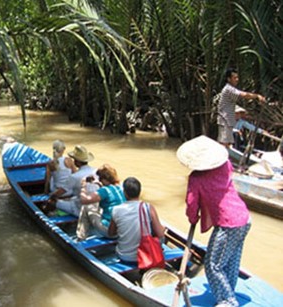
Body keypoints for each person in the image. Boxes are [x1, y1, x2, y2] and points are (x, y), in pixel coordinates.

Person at [177, 135, 251, 307]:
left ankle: (228, 301)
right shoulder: (225, 165)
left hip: (229, 222)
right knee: (231, 262)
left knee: (213, 265)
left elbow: (191, 205)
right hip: (244, 218)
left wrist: (193, 218)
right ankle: (227, 293)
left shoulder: (196, 178)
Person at [108, 177, 164, 263]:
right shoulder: (148, 207)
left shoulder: (116, 210)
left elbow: (111, 233)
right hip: (147, 255)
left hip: (125, 256)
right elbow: (160, 234)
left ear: (125, 193)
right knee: (161, 234)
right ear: (139, 192)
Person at [217, 68, 265, 148]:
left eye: (237, 77)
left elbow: (251, 127)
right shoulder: (228, 89)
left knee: (228, 144)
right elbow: (244, 95)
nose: (237, 79)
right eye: (234, 78)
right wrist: (257, 96)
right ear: (229, 79)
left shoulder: (230, 89)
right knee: (225, 145)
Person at [77, 164, 126, 240]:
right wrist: (98, 184)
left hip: (109, 230)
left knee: (86, 207)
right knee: (97, 206)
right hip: (121, 230)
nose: (99, 180)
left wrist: (83, 186)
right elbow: (110, 195)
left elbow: (84, 200)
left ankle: (81, 237)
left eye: (100, 178)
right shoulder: (120, 188)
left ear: (104, 179)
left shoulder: (104, 191)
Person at [47, 145, 97, 216]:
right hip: (95, 206)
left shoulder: (74, 176)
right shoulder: (96, 171)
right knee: (73, 198)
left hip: (80, 208)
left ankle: (46, 213)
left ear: (77, 161)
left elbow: (60, 192)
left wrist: (51, 197)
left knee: (52, 202)